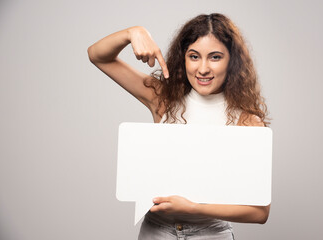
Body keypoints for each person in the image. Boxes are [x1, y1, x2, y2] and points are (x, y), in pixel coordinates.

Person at [88, 13, 270, 240]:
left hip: (211, 234)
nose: (203, 69)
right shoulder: (163, 99)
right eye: (194, 56)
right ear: (183, 59)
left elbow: (260, 212)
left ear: (232, 61)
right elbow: (98, 56)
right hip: (156, 231)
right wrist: (132, 32)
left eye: (215, 57)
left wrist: (193, 208)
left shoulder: (247, 122)